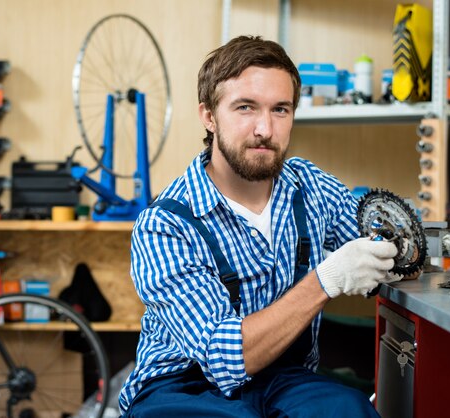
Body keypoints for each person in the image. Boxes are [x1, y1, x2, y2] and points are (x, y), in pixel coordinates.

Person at [119, 35, 401, 417]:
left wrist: (395, 249)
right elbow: (224, 359)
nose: (265, 129)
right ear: (208, 116)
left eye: (280, 110)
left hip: (283, 377)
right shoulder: (165, 225)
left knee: (348, 409)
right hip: (183, 386)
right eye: (246, 108)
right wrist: (328, 279)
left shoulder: (309, 187)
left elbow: (378, 239)